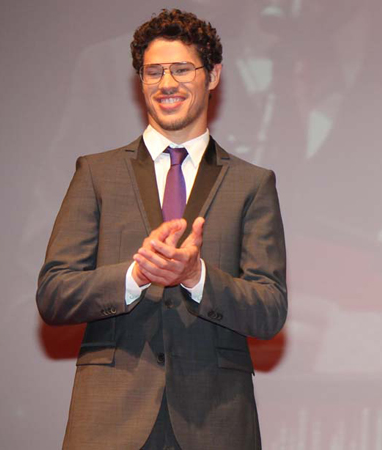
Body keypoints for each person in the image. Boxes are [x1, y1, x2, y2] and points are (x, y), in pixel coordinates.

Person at [36, 9, 287, 450]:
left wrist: (196, 277)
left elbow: (269, 310)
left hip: (216, 421)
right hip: (109, 422)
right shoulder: (96, 174)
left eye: (182, 69)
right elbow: (54, 294)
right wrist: (135, 276)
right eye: (153, 72)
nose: (166, 83)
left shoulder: (253, 183)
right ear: (141, 81)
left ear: (213, 76)